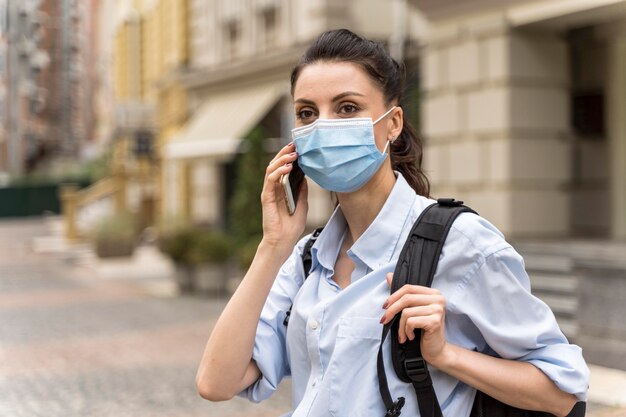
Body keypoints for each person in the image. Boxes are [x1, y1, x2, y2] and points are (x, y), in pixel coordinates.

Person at [195, 29, 589, 417]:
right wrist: (273, 246)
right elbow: (217, 383)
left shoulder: (460, 243)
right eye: (307, 113)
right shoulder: (305, 260)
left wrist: (446, 356)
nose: (324, 126)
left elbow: (562, 394)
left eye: (347, 108)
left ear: (393, 122)